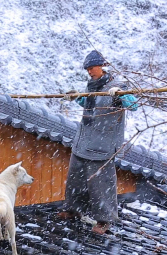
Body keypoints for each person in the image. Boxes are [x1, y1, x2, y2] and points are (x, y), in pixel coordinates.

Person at [59, 50, 138, 235]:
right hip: (84, 139)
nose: (90, 72)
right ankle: (74, 209)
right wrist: (77, 97)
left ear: (102, 67)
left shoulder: (118, 86)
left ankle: (104, 220)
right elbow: (92, 107)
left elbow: (133, 105)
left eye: (92, 68)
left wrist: (120, 95)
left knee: (101, 184)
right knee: (75, 179)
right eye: (87, 69)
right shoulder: (92, 86)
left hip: (103, 143)